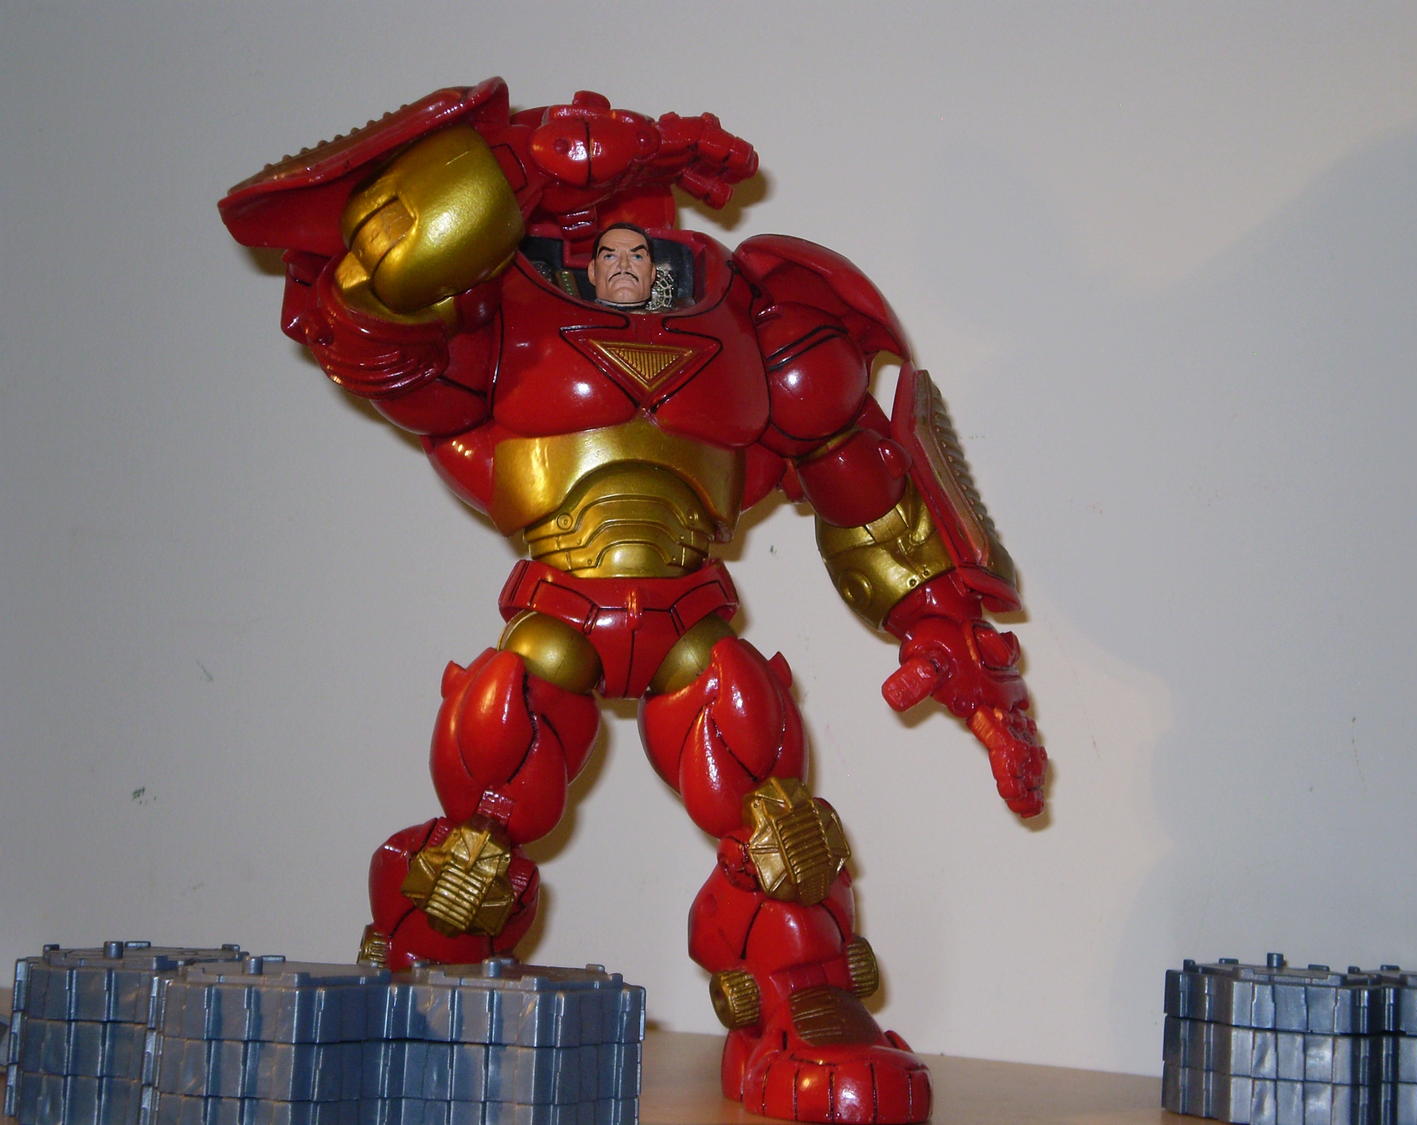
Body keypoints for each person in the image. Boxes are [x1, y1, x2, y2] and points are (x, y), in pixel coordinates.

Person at [221, 79, 1047, 1125]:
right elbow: (371, 322)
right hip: (557, 610)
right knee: (481, 830)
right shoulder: (497, 302)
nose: (622, 261)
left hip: (692, 618)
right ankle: (420, 1006)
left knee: (775, 816)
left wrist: (954, 642)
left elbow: (871, 492)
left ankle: (801, 1006)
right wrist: (521, 166)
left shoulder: (765, 310)